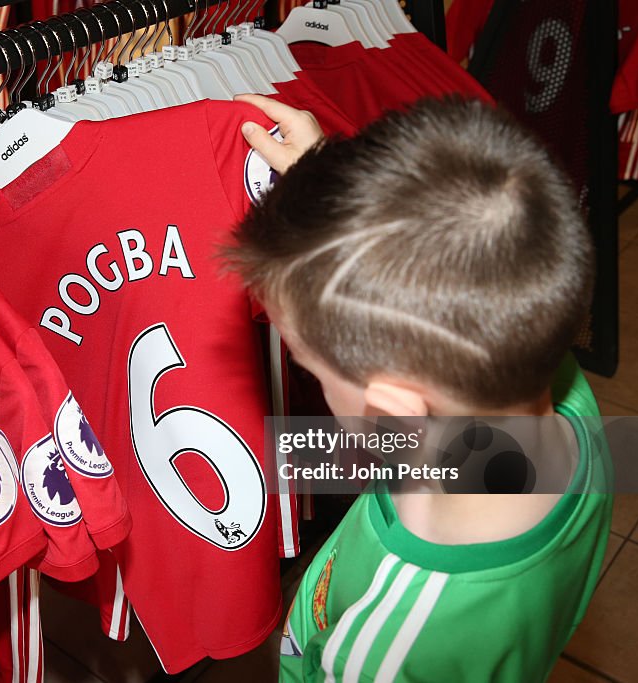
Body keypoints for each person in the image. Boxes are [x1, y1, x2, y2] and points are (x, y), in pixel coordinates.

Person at [230, 94, 614, 682]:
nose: (311, 376)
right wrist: (326, 181)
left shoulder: (390, 647)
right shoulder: (550, 387)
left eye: (310, 365)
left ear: (393, 412)